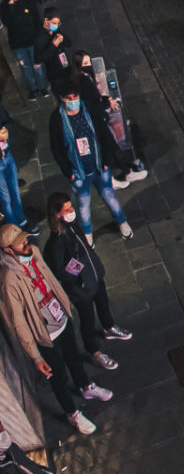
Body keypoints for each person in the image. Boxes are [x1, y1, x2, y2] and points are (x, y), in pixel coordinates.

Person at [0, 224, 110, 436]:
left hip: (62, 320)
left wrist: (66, 306)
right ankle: (72, 413)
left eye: (25, 239)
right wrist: (35, 356)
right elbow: (19, 322)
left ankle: (86, 387)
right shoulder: (8, 280)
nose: (26, 244)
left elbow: (50, 279)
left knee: (75, 358)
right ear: (7, 250)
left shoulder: (35, 252)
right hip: (45, 336)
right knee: (58, 377)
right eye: (20, 243)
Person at [42, 194, 129, 370]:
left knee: (103, 304)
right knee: (87, 319)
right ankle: (95, 352)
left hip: (95, 275)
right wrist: (80, 279)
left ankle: (109, 327)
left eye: (71, 207)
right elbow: (61, 271)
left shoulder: (72, 226)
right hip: (81, 288)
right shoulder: (56, 241)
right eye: (67, 209)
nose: (72, 211)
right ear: (57, 214)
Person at [50, 88, 129, 240]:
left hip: (99, 165)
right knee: (84, 205)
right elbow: (56, 148)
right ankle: (87, 233)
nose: (73, 100)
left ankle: (122, 222)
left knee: (110, 196)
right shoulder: (57, 119)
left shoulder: (89, 110)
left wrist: (106, 160)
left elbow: (104, 134)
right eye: (69, 97)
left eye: (75, 96)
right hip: (79, 171)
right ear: (62, 99)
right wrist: (69, 172)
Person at [0, 130, 23, 230]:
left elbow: (7, 120)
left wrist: (6, 131)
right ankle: (14, 228)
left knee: (15, 191)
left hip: (7, 156)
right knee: (6, 198)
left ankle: (21, 219)